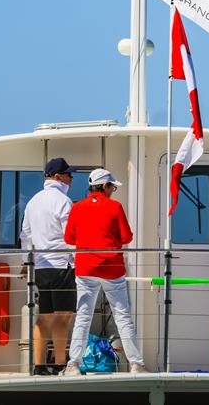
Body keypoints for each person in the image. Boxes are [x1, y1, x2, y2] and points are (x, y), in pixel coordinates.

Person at [62, 168, 148, 376]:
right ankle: (136, 364)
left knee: (83, 316)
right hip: (112, 269)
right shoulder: (115, 207)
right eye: (111, 187)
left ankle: (73, 365)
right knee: (122, 316)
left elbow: (69, 239)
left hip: (85, 268)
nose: (112, 191)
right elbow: (127, 237)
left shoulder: (77, 208)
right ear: (104, 186)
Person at [19, 157, 77, 375]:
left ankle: (39, 365)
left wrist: (27, 263)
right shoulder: (63, 201)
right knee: (63, 317)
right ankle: (61, 364)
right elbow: (70, 236)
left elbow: (26, 235)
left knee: (45, 317)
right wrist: (78, 261)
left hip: (41, 267)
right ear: (57, 177)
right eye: (68, 174)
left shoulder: (33, 201)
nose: (71, 178)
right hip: (62, 265)